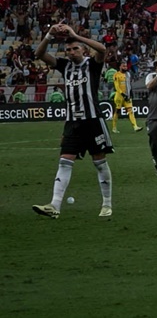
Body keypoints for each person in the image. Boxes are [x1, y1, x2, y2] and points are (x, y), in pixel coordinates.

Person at [32, 23, 114, 219]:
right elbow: (39, 54)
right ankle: (54, 205)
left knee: (100, 163)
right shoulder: (64, 66)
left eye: (75, 48)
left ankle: (107, 204)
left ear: (84, 50)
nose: (71, 52)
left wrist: (76, 35)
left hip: (93, 120)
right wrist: (50, 34)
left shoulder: (92, 64)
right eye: (68, 49)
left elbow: (103, 49)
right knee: (64, 162)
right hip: (72, 123)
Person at [109, 61, 141, 133]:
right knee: (117, 111)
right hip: (119, 96)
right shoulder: (116, 75)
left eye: (126, 66)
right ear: (120, 67)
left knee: (130, 110)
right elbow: (116, 86)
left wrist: (131, 93)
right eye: (123, 66)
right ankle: (114, 128)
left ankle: (135, 126)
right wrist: (123, 94)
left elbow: (129, 85)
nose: (125, 68)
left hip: (127, 96)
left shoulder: (128, 74)